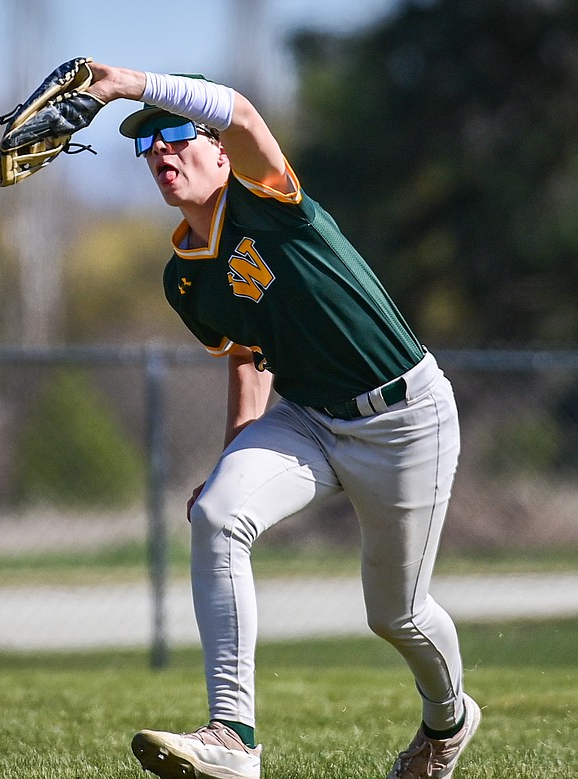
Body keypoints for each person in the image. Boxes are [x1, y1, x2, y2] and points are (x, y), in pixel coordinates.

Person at [83, 64, 480, 779]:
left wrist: (129, 84)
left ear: (220, 152)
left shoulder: (267, 198)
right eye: (146, 146)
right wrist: (233, 460)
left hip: (404, 418)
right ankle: (234, 737)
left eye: (175, 133)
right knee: (217, 512)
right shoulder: (183, 278)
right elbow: (245, 357)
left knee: (397, 615)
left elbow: (240, 111)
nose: (159, 152)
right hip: (308, 417)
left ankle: (447, 721)